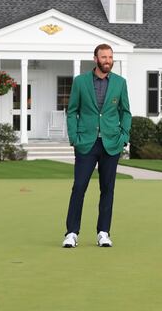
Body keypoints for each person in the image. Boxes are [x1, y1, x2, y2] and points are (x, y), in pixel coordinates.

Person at [62, 43, 131, 248]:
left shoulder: (120, 83)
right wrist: (74, 137)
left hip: (111, 143)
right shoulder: (80, 82)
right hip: (86, 143)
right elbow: (72, 110)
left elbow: (125, 112)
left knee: (107, 189)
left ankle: (103, 232)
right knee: (79, 187)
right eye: (103, 57)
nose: (107, 61)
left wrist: (124, 136)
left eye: (110, 57)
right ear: (95, 59)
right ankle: (72, 233)